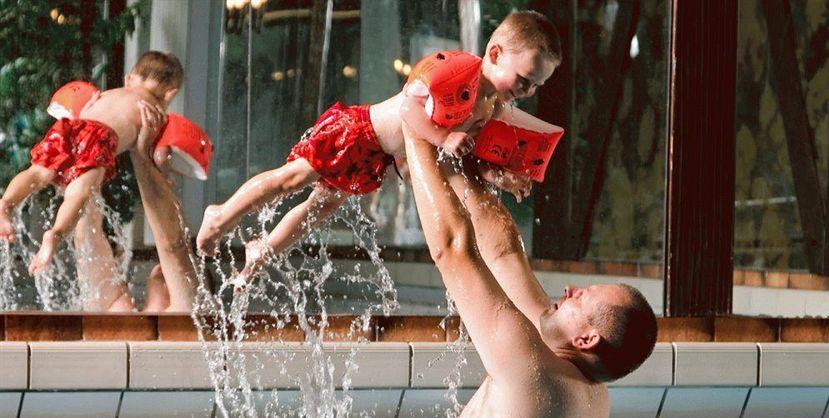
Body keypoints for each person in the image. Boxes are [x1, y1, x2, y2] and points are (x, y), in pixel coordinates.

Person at [401, 125, 658, 418]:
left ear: (587, 338)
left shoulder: (535, 374)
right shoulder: (580, 381)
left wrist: (413, 128)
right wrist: (461, 170)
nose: (569, 290)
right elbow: (504, 252)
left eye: (581, 298)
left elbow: (452, 251)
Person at [196, 10, 558, 284]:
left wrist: (502, 176)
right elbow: (408, 107)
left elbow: (470, 154)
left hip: (379, 159)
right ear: (494, 54)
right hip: (360, 131)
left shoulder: (492, 107)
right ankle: (221, 215)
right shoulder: (460, 70)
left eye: (536, 87)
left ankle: (264, 250)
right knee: (290, 179)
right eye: (524, 79)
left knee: (317, 209)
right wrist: (443, 138)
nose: (527, 92)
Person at [0, 51, 184, 274]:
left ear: (129, 79)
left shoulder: (110, 93)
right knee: (79, 192)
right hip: (102, 138)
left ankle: (6, 204)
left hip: (73, 124)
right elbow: (160, 157)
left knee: (38, 172)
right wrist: (166, 175)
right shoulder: (154, 112)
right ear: (170, 94)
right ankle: (55, 234)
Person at [74, 101, 198, 312]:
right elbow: (88, 239)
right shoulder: (121, 315)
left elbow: (173, 246)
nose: (161, 268)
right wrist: (86, 141)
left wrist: (141, 154)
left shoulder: (187, 315)